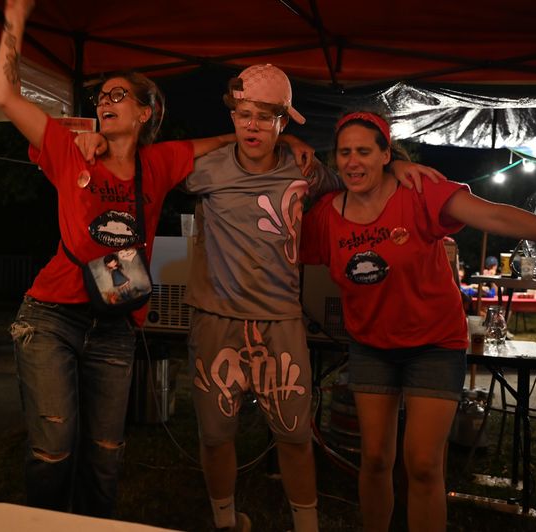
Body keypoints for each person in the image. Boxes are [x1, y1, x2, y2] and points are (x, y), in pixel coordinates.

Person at [76, 66, 444, 531]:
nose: (251, 125)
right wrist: (99, 142)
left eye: (265, 117)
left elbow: (360, 183)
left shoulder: (305, 170)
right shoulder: (204, 169)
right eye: (243, 114)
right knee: (215, 436)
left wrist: (397, 167)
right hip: (216, 318)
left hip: (281, 321)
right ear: (232, 116)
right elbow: (140, 165)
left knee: (294, 436)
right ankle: (225, 522)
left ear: (282, 122)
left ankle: (306, 526)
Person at [299, 110, 536, 532]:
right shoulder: (326, 216)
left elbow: (496, 216)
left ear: (386, 155)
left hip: (433, 345)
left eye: (364, 151)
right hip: (371, 346)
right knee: (376, 459)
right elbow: (278, 240)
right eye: (345, 152)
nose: (353, 161)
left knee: (423, 463)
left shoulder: (418, 192)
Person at [0, 0, 260, 518]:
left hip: (116, 325)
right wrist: (16, 19)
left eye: (119, 95)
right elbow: (4, 95)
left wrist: (283, 138)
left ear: (145, 113)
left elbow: (226, 141)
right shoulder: (70, 150)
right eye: (102, 96)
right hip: (51, 316)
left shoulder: (158, 163)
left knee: (106, 454)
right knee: (54, 449)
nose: (106, 101)